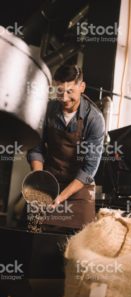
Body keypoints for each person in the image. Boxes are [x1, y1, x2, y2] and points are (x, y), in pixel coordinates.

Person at [27, 65, 105, 229]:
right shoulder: (48, 110)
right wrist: (40, 179)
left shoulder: (94, 119)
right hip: (49, 182)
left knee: (81, 240)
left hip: (79, 188)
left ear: (82, 87)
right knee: (34, 232)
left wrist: (61, 197)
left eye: (70, 92)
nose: (64, 98)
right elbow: (36, 148)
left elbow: (89, 169)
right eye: (60, 91)